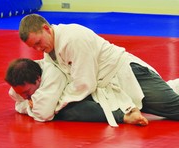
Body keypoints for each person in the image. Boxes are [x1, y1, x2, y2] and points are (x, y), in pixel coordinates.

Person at [18, 13, 179, 127]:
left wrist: (54, 104)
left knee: (174, 109)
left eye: (38, 42)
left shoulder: (73, 39)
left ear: (46, 28)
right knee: (68, 111)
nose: (39, 49)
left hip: (128, 75)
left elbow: (85, 84)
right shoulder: (49, 52)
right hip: (105, 87)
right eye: (34, 47)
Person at [5, 58, 157, 126]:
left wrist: (30, 106)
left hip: (98, 84)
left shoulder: (52, 74)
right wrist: (29, 103)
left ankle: (123, 116)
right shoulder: (20, 84)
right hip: (77, 92)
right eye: (22, 94)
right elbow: (18, 104)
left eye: (27, 92)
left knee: (68, 111)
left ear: (38, 79)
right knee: (62, 111)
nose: (25, 97)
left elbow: (44, 114)